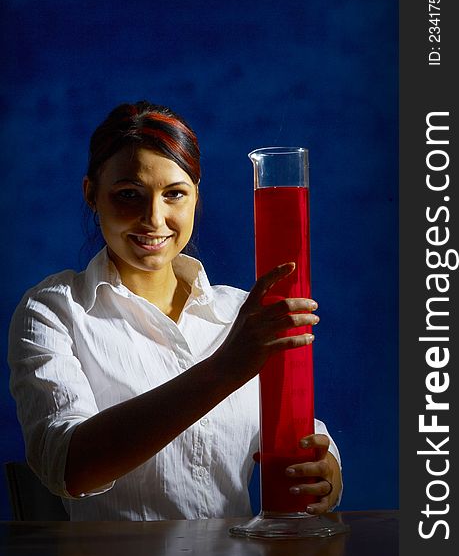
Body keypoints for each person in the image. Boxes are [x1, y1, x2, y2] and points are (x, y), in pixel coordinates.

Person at [8, 101, 343, 521]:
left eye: (175, 194)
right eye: (129, 195)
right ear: (92, 194)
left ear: (196, 196)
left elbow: (305, 430)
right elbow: (67, 467)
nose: (154, 218)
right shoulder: (54, 310)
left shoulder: (241, 313)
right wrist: (226, 367)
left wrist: (327, 470)